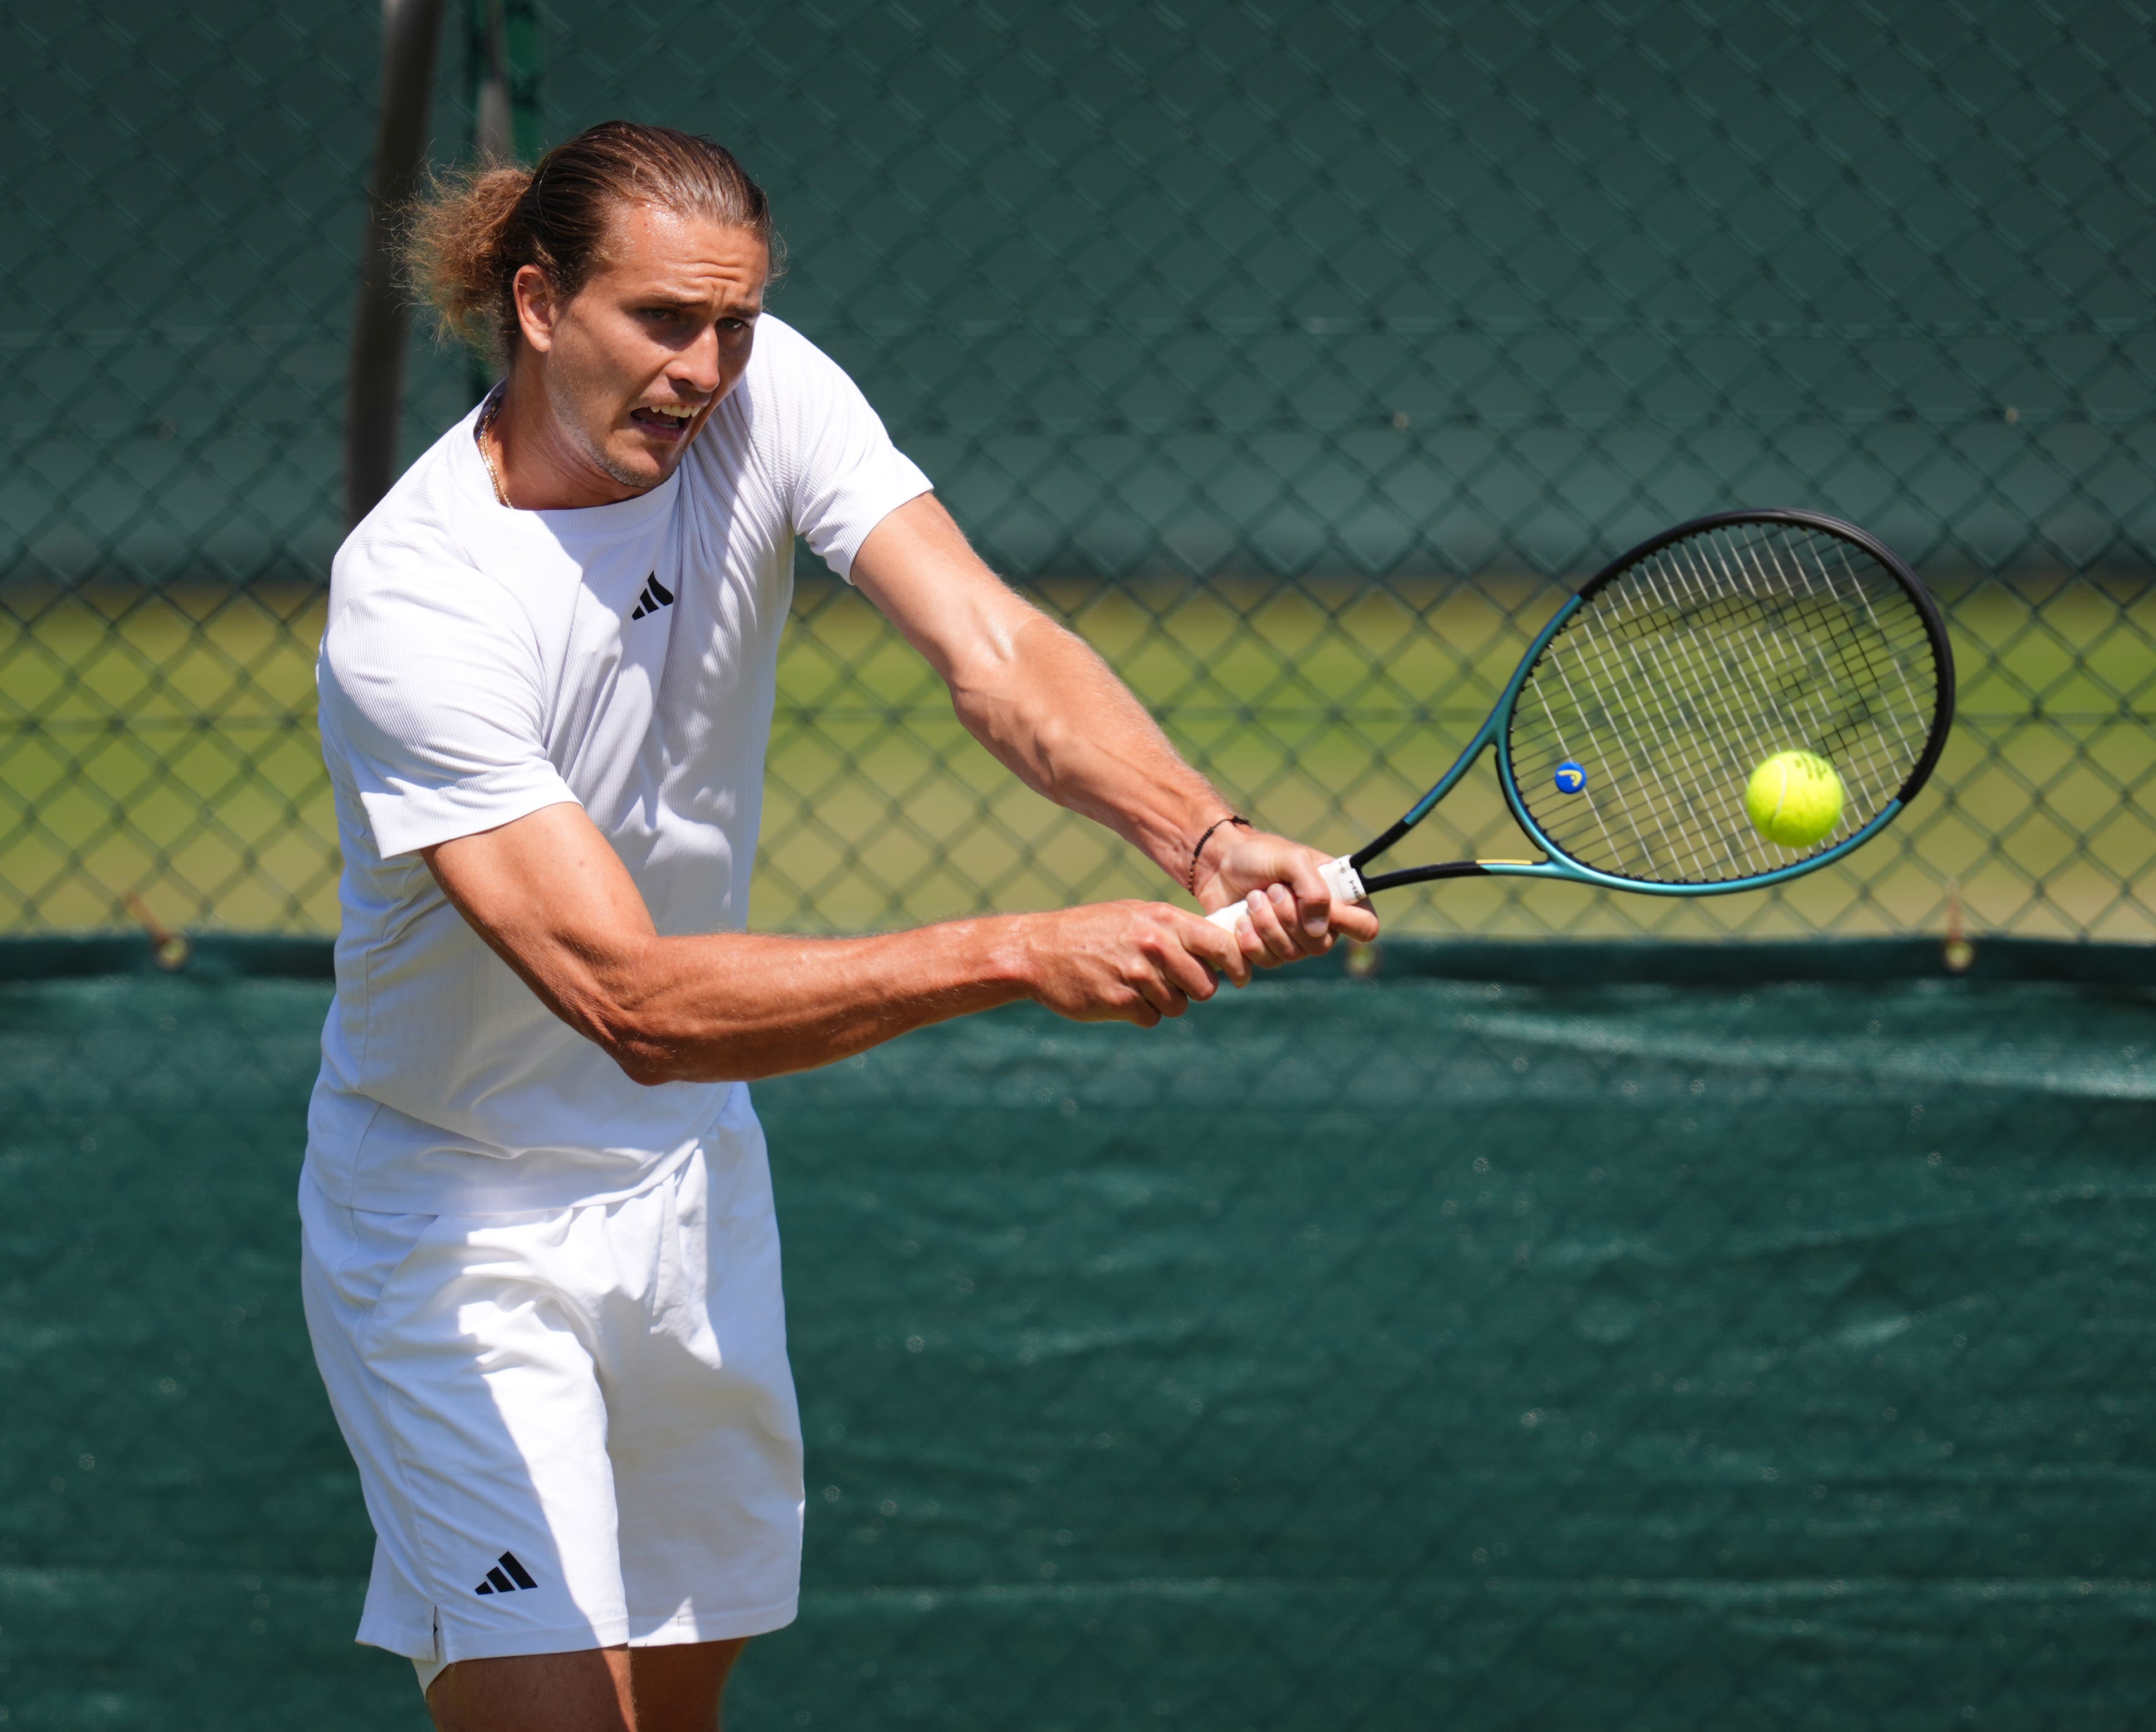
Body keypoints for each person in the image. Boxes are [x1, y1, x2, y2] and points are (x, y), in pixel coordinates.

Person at [301, 120, 1379, 1732]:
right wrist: (1021, 952)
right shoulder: (420, 598)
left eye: (730, 320)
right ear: (536, 306)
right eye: (661, 321)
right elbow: (634, 1003)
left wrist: (1201, 836)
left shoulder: (767, 392)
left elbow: (996, 650)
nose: (704, 366)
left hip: (689, 1193)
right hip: (459, 1225)